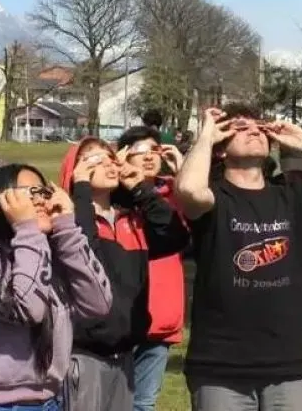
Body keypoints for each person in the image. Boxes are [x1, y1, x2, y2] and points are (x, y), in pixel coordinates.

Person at [174, 104, 302, 411]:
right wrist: (205, 137)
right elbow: (188, 189)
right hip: (220, 366)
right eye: (241, 127)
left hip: (288, 365)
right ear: (221, 147)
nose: (254, 130)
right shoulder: (214, 198)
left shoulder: (293, 196)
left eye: (259, 126)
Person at [0, 164, 113, 410]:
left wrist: (67, 229)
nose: (42, 200)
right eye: (30, 193)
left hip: (49, 401)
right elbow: (27, 308)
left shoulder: (44, 250)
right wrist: (28, 230)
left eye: (44, 192)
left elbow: (98, 303)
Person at [58, 137, 189, 411]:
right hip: (82, 354)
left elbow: (176, 237)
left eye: (110, 157)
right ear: (75, 170)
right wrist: (80, 190)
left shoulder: (131, 220)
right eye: (94, 159)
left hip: (124, 352)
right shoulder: (66, 221)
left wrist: (142, 189)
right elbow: (83, 252)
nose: (107, 162)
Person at [117, 126, 187, 411]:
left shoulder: (175, 193)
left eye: (154, 151)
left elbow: (201, 215)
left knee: (144, 403)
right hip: (121, 317)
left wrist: (183, 168)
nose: (149, 158)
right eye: (139, 152)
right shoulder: (111, 198)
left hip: (161, 317)